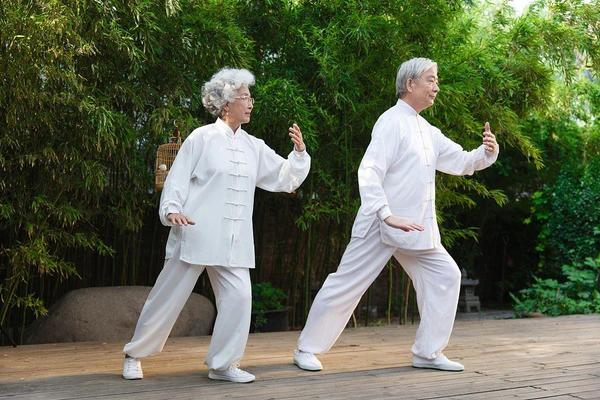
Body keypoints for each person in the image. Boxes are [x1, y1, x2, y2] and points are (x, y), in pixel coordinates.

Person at [293, 57, 499, 372]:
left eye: (437, 80)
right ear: (410, 84)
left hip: (415, 225)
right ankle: (307, 348)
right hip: (380, 222)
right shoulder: (390, 122)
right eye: (431, 79)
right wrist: (386, 214)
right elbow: (369, 170)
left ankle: (427, 353)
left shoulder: (427, 130)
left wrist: (486, 152)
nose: (437, 86)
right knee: (346, 283)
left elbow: (459, 160)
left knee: (446, 275)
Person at [122, 68, 311, 383]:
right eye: (244, 97)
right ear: (225, 104)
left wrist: (299, 154)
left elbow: (283, 176)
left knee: (239, 298)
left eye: (250, 97)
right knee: (166, 299)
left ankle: (223, 365)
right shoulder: (202, 138)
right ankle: (134, 354)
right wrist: (172, 210)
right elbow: (178, 178)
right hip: (195, 232)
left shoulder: (253, 145)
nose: (250, 103)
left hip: (233, 240)